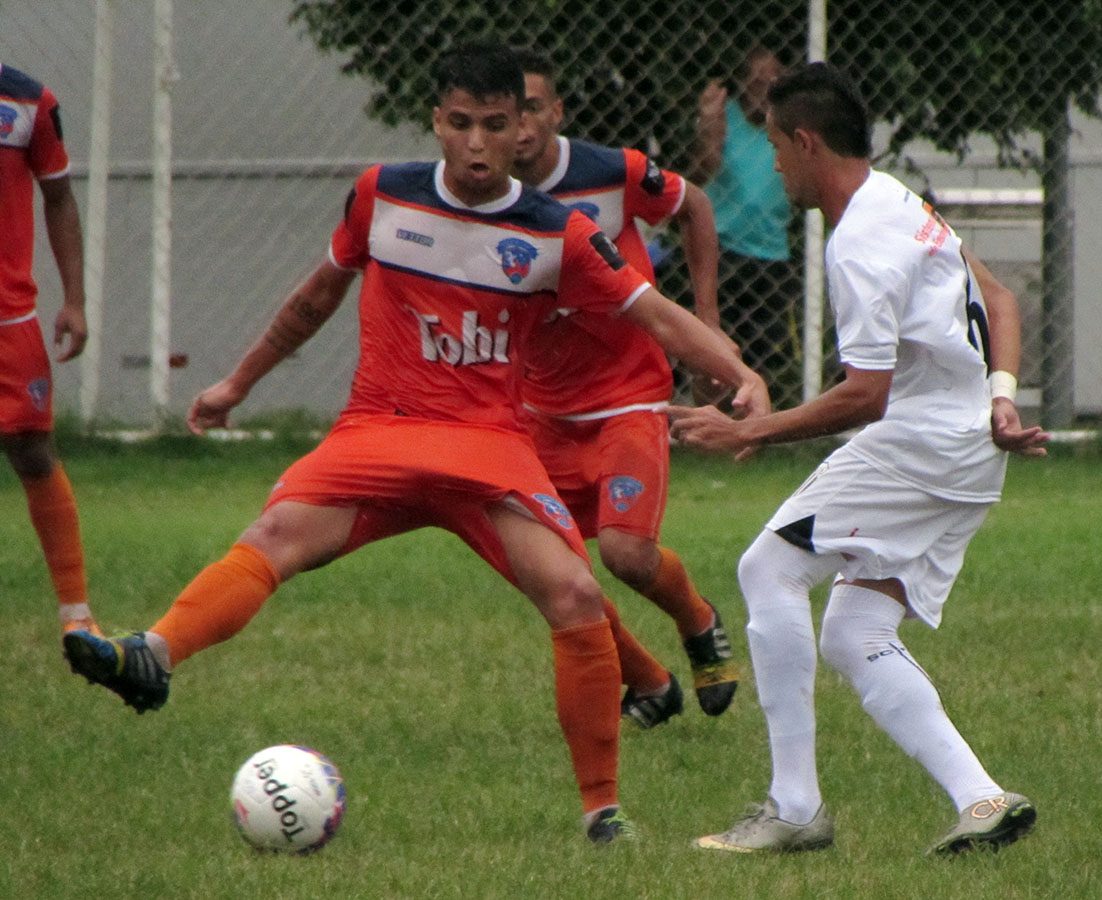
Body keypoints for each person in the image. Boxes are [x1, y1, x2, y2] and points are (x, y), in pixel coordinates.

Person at [62, 43, 768, 845]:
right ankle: (152, 654)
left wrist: (745, 375)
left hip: (489, 449)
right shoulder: (381, 196)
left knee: (575, 594)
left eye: (494, 126)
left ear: (523, 128)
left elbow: (656, 315)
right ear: (435, 121)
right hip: (379, 433)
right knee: (273, 536)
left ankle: (601, 812)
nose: (475, 144)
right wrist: (237, 384)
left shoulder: (558, 232)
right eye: (459, 124)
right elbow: (314, 298)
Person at [669, 62, 1049, 855]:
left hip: (923, 445)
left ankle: (794, 806)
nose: (771, 163)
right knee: (855, 629)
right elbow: (1001, 301)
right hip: (971, 446)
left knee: (766, 570)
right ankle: (982, 800)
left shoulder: (860, 245)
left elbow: (864, 396)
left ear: (806, 143)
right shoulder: (904, 204)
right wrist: (1004, 394)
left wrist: (746, 433)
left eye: (775, 145)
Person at [510, 49, 740, 728]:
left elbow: (693, 205)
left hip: (630, 394)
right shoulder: (484, 196)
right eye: (505, 113)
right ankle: (648, 681)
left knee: (625, 554)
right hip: (541, 411)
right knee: (551, 577)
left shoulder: (613, 173)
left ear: (557, 112)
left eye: (532, 108)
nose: (518, 126)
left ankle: (697, 620)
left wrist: (705, 319)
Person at [0, 63, 100, 638]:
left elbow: (59, 199)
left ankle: (76, 614)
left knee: (33, 451)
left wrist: (75, 300)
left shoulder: (30, 101)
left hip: (10, 315)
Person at [692, 46, 798, 401]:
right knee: (716, 342)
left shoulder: (787, 126)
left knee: (764, 348)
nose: (764, 90)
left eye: (773, 82)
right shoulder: (726, 117)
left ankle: (754, 419)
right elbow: (703, 170)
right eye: (756, 82)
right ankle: (709, 411)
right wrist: (710, 130)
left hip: (771, 252)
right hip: (725, 249)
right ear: (742, 84)